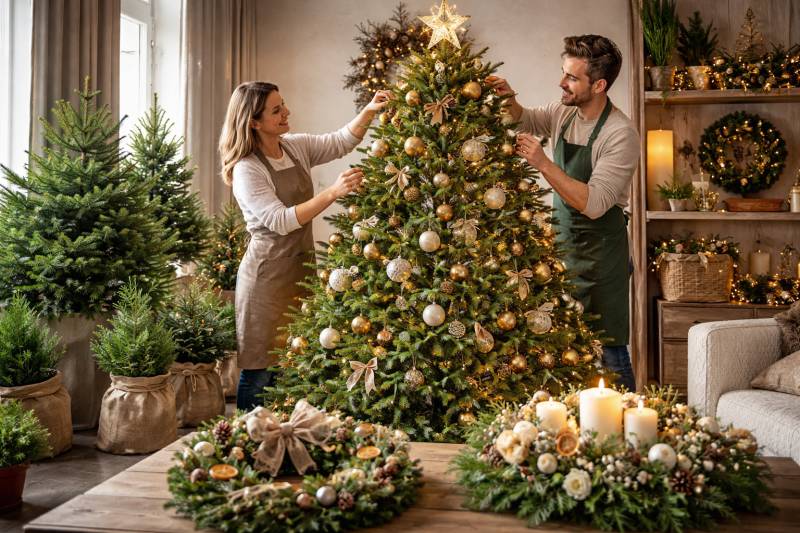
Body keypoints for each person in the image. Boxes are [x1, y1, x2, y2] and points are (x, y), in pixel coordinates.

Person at [219, 81, 391, 409]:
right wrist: (332, 193)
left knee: (295, 363)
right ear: (254, 122)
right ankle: (247, 440)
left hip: (301, 271)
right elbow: (280, 220)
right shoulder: (247, 168)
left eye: (282, 105)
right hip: (266, 281)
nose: (286, 112)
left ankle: (287, 436)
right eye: (276, 109)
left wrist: (368, 111)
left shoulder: (294, 147)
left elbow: (340, 141)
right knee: (260, 371)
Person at [487, 34, 639, 391]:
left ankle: (632, 425)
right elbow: (523, 119)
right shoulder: (563, 112)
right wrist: (508, 98)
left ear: (599, 85)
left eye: (572, 77)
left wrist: (542, 163)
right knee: (564, 349)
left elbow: (593, 202)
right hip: (563, 248)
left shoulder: (620, 133)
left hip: (602, 258)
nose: (561, 83)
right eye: (563, 73)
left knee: (609, 352)